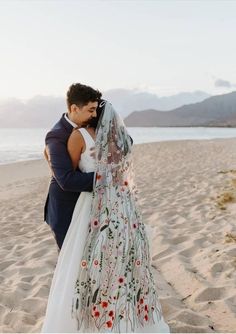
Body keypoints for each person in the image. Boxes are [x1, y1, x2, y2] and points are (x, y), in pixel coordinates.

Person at [41, 100, 170, 333]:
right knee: (114, 261)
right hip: (121, 206)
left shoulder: (79, 135)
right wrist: (112, 180)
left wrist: (51, 162)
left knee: (81, 262)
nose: (90, 113)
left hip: (93, 205)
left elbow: (68, 174)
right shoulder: (122, 140)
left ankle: (85, 319)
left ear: (94, 116)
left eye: (93, 110)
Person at [43, 83, 102, 251]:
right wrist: (108, 176)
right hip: (65, 209)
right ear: (75, 108)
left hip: (89, 205)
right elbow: (66, 180)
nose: (95, 114)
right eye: (91, 110)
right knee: (71, 263)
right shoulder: (56, 136)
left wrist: (111, 149)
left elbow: (123, 135)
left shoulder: (92, 121)